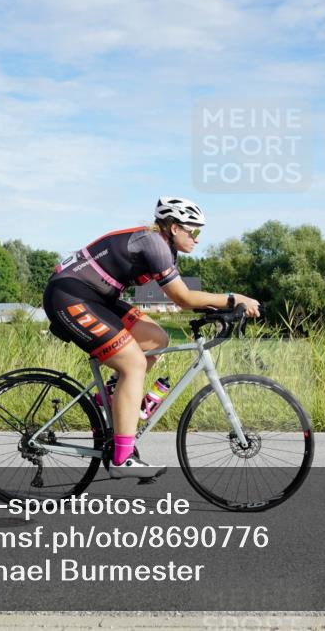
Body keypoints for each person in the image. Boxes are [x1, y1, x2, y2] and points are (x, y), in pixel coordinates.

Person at [43, 196, 261, 478]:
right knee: (133, 364)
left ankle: (108, 398)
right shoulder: (154, 243)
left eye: (199, 232)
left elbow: (187, 298)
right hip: (69, 296)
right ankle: (122, 459)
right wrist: (234, 299)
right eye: (193, 230)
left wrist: (218, 310)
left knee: (156, 338)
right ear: (173, 227)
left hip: (97, 298)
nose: (197, 238)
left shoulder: (164, 247)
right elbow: (182, 298)